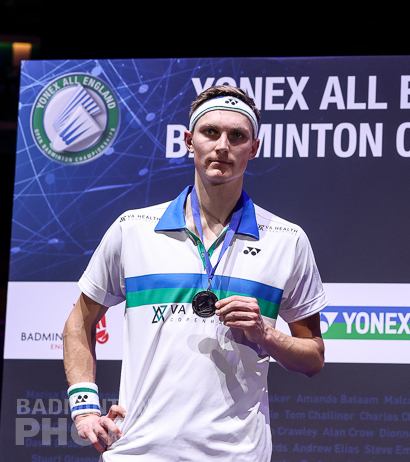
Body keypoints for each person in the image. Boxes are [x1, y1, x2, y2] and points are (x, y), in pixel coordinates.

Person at [63, 85, 327, 461]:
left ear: (253, 148)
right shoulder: (133, 229)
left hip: (237, 456)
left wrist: (264, 334)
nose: (222, 146)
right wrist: (85, 407)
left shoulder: (286, 240)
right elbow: (79, 321)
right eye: (210, 132)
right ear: (190, 141)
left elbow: (313, 357)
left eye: (237, 136)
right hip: (139, 454)